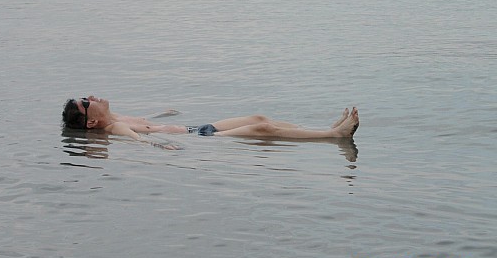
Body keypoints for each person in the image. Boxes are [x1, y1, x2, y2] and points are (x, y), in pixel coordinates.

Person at [62, 96, 359, 149]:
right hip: (201, 138)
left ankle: (324, 129)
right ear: (91, 122)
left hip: (200, 127)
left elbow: (144, 123)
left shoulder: (116, 116)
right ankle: (334, 135)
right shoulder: (113, 127)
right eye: (86, 102)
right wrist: (159, 146)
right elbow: (137, 137)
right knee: (263, 130)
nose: (91, 97)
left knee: (259, 118)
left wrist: (163, 114)